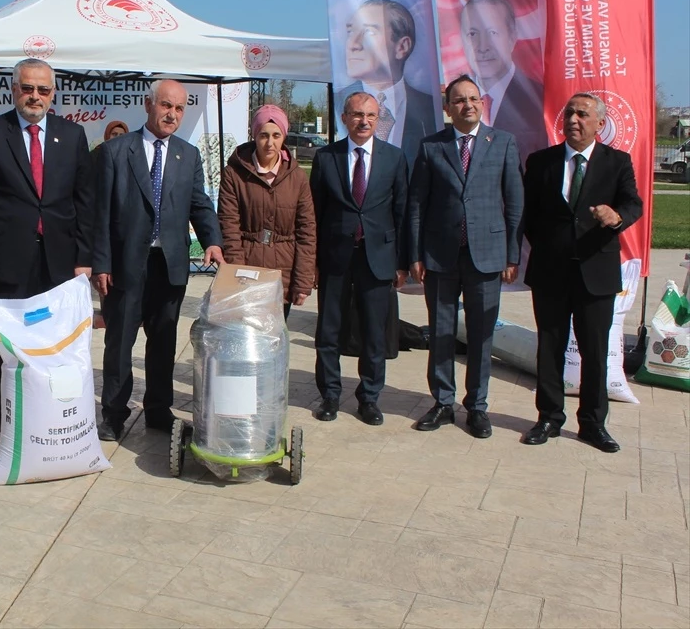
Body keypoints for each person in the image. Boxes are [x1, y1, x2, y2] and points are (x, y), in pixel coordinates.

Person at [0, 59, 94, 455]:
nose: (35, 96)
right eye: (28, 88)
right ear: (13, 88)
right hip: (7, 262)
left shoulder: (73, 136)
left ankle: (47, 424)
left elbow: (84, 204)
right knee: (7, 348)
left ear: (53, 94)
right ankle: (4, 430)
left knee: (55, 347)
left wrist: (84, 259)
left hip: (60, 263)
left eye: (43, 90)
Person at [93, 79, 225, 440]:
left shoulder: (188, 155)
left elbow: (200, 203)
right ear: (148, 105)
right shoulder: (116, 152)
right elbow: (100, 214)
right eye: (166, 105)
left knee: (164, 340)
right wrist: (101, 264)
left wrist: (212, 240)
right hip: (125, 266)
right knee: (119, 342)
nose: (172, 114)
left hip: (169, 266)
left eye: (179, 109)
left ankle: (157, 409)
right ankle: (114, 413)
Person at [521, 93, 642, 453]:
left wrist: (616, 217)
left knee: (594, 350)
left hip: (597, 271)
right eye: (570, 113)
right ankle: (548, 418)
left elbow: (633, 202)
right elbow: (529, 214)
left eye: (583, 114)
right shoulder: (541, 162)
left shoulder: (616, 162)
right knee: (550, 347)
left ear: (599, 123)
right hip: (551, 272)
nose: (573, 119)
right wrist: (548, 245)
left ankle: (592, 423)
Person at [408, 75, 524, 438]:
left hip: (487, 257)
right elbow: (416, 205)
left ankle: (477, 406)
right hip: (440, 257)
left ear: (482, 103)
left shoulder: (502, 143)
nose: (467, 105)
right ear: (447, 108)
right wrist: (415, 253)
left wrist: (511, 255)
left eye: (473, 98)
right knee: (441, 332)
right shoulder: (431, 147)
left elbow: (515, 204)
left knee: (481, 335)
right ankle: (443, 402)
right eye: (459, 100)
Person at [310, 92, 409, 426]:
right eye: (356, 115)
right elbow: (315, 214)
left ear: (378, 119)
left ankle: (369, 397)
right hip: (335, 257)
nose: (363, 121)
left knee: (373, 332)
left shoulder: (394, 159)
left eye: (370, 115)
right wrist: (313, 261)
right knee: (329, 330)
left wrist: (402, 262)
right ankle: (330, 395)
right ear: (344, 117)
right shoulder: (326, 158)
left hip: (377, 257)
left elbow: (402, 212)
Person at [217, 104, 317, 319]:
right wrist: (237, 274)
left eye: (276, 135)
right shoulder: (234, 174)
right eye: (263, 135)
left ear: (284, 137)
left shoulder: (297, 177)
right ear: (254, 136)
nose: (270, 143)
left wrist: (302, 281)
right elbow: (229, 226)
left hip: (284, 273)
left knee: (274, 344)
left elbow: (307, 232)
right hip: (248, 270)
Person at [337, 0, 437, 165]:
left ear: (402, 47)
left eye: (368, 32)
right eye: (350, 32)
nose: (352, 44)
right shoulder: (337, 103)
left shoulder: (430, 111)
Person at [459, 0, 548, 158]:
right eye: (472, 34)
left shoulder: (541, 101)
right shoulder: (454, 103)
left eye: (492, 33)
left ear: (512, 38)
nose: (482, 46)